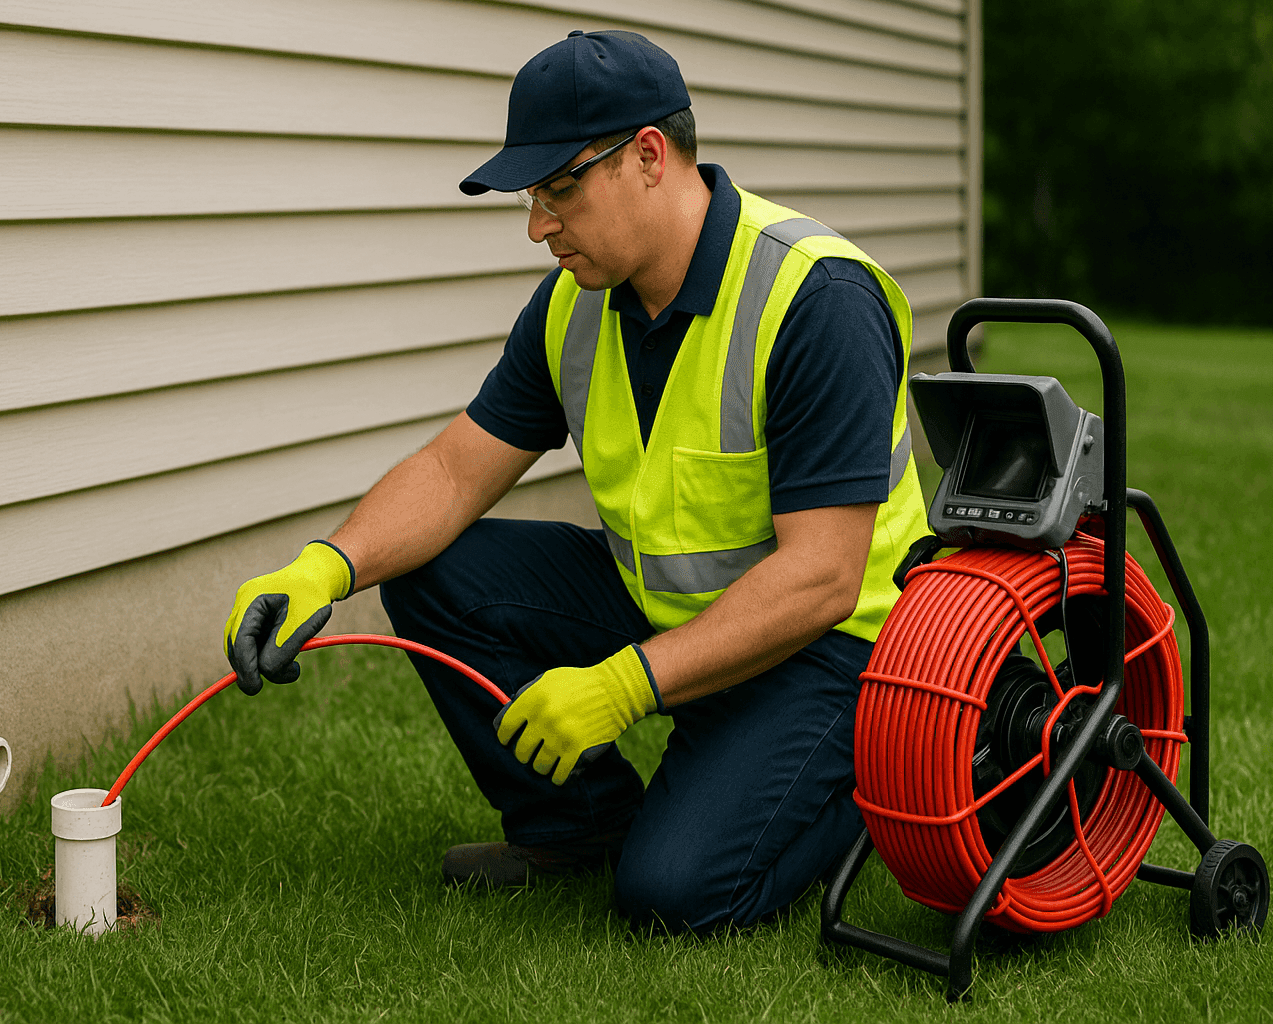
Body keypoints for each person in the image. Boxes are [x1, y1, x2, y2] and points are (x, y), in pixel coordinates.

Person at [223, 30, 928, 933]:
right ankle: (580, 828)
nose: (538, 225)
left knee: (671, 897)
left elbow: (826, 574)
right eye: (531, 196)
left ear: (648, 156)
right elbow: (450, 472)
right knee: (433, 566)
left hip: (836, 648)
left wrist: (625, 687)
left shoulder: (814, 298)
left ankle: (871, 774)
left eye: (560, 189)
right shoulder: (577, 305)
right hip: (675, 611)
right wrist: (325, 565)